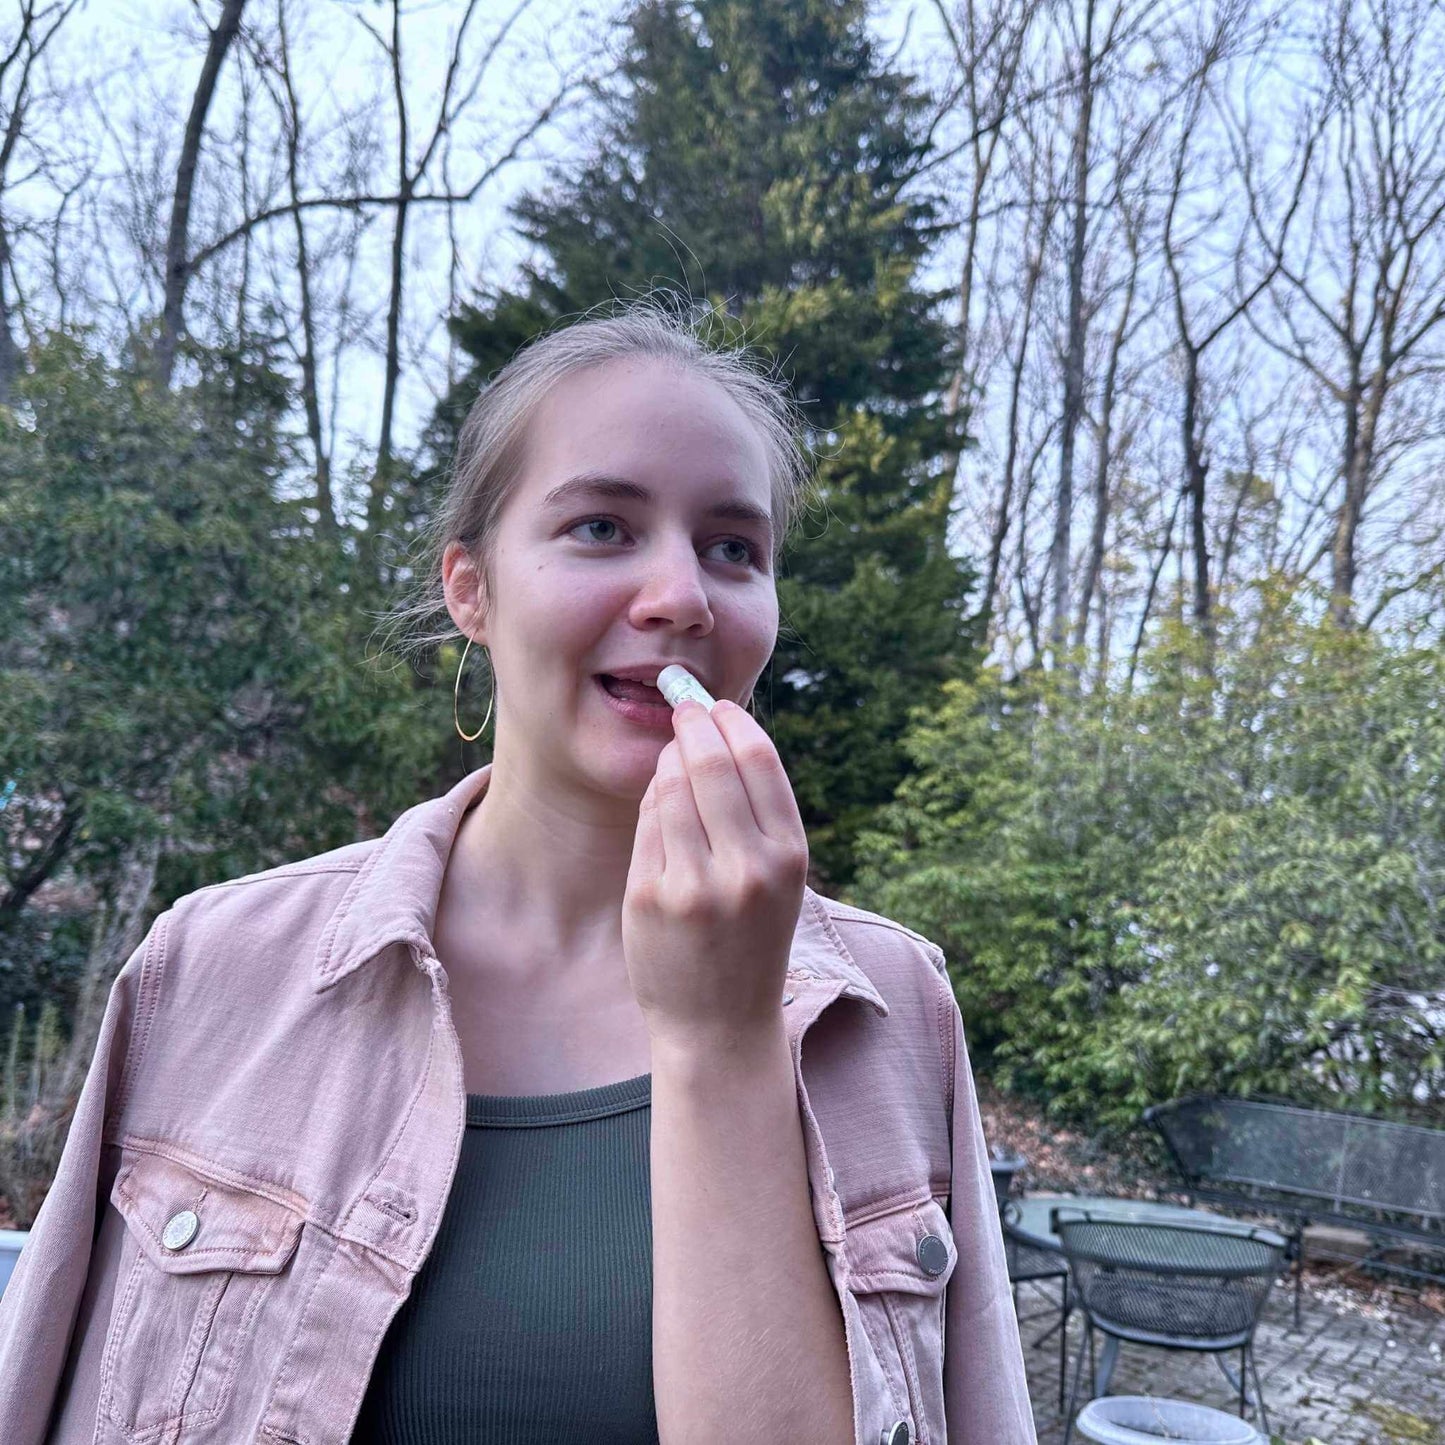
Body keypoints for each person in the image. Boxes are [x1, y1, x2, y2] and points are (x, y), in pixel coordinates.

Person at [0, 300, 1035, 1444]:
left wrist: (722, 1034)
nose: (682, 594)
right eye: (601, 526)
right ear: (470, 589)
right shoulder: (207, 967)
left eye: (733, 547)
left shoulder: (896, 1014)